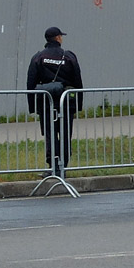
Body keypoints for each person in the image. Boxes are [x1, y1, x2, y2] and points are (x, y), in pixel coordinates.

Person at [26, 26, 83, 177]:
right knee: (65, 134)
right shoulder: (69, 56)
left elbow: (30, 82)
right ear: (58, 38)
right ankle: (63, 166)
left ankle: (52, 167)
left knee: (50, 134)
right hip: (65, 102)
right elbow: (78, 80)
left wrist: (33, 107)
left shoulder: (38, 57)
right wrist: (78, 104)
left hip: (46, 102)